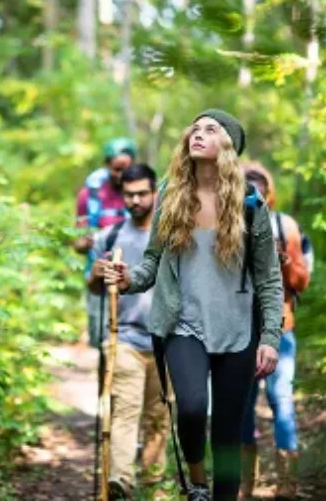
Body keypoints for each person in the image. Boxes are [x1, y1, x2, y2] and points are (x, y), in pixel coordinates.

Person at [104, 109, 284, 501]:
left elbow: (270, 279)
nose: (198, 133)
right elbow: (151, 261)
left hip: (237, 330)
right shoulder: (170, 195)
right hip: (183, 325)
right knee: (191, 407)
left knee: (227, 432)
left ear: (228, 145)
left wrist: (269, 337)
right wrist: (129, 278)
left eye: (211, 129)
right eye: (195, 128)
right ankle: (197, 480)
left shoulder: (250, 206)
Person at [87, 164, 170, 499]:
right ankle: (121, 480)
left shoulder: (170, 236)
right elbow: (94, 288)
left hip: (166, 341)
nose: (135, 200)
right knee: (124, 412)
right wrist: (96, 274)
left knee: (158, 418)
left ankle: (153, 485)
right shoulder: (111, 236)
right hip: (123, 339)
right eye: (129, 194)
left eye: (142, 193)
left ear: (154, 194)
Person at [239, 163, 311, 501]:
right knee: (242, 407)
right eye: (246, 185)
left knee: (281, 401)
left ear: (269, 191)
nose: (254, 191)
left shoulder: (285, 225)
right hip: (239, 333)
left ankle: (287, 485)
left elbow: (301, 282)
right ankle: (243, 486)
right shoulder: (228, 224)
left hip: (281, 329)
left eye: (259, 186)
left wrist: (284, 260)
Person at [75, 138, 136, 348]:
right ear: (107, 165)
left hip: (134, 278)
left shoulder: (143, 196)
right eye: (117, 169)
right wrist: (90, 241)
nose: (121, 175)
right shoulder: (89, 196)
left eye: (127, 169)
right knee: (103, 344)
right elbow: (78, 242)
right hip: (99, 280)